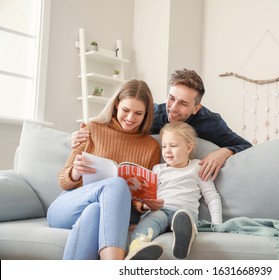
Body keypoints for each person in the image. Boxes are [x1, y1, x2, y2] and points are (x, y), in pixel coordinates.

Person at [47, 79, 163, 260]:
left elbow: (142, 194)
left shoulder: (151, 146)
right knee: (116, 184)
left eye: (138, 113)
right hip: (68, 206)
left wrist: (143, 203)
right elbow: (62, 180)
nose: (131, 118)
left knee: (94, 211)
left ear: (146, 113)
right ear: (116, 105)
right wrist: (75, 172)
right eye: (126, 110)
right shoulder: (92, 129)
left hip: (103, 211)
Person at [71, 69, 252, 181]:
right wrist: (83, 134)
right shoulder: (154, 113)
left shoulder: (211, 122)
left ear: (197, 108)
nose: (172, 108)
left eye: (183, 103)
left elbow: (246, 147)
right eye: (171, 98)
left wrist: (224, 151)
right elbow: (116, 123)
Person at [126, 121, 223, 260]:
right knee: (151, 221)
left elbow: (212, 197)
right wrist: (148, 204)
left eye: (173, 146)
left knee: (183, 217)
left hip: (184, 212)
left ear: (189, 148)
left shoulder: (198, 167)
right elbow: (149, 198)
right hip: (160, 210)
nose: (167, 150)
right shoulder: (157, 170)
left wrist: (217, 225)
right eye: (164, 146)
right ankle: (137, 248)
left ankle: (183, 239)